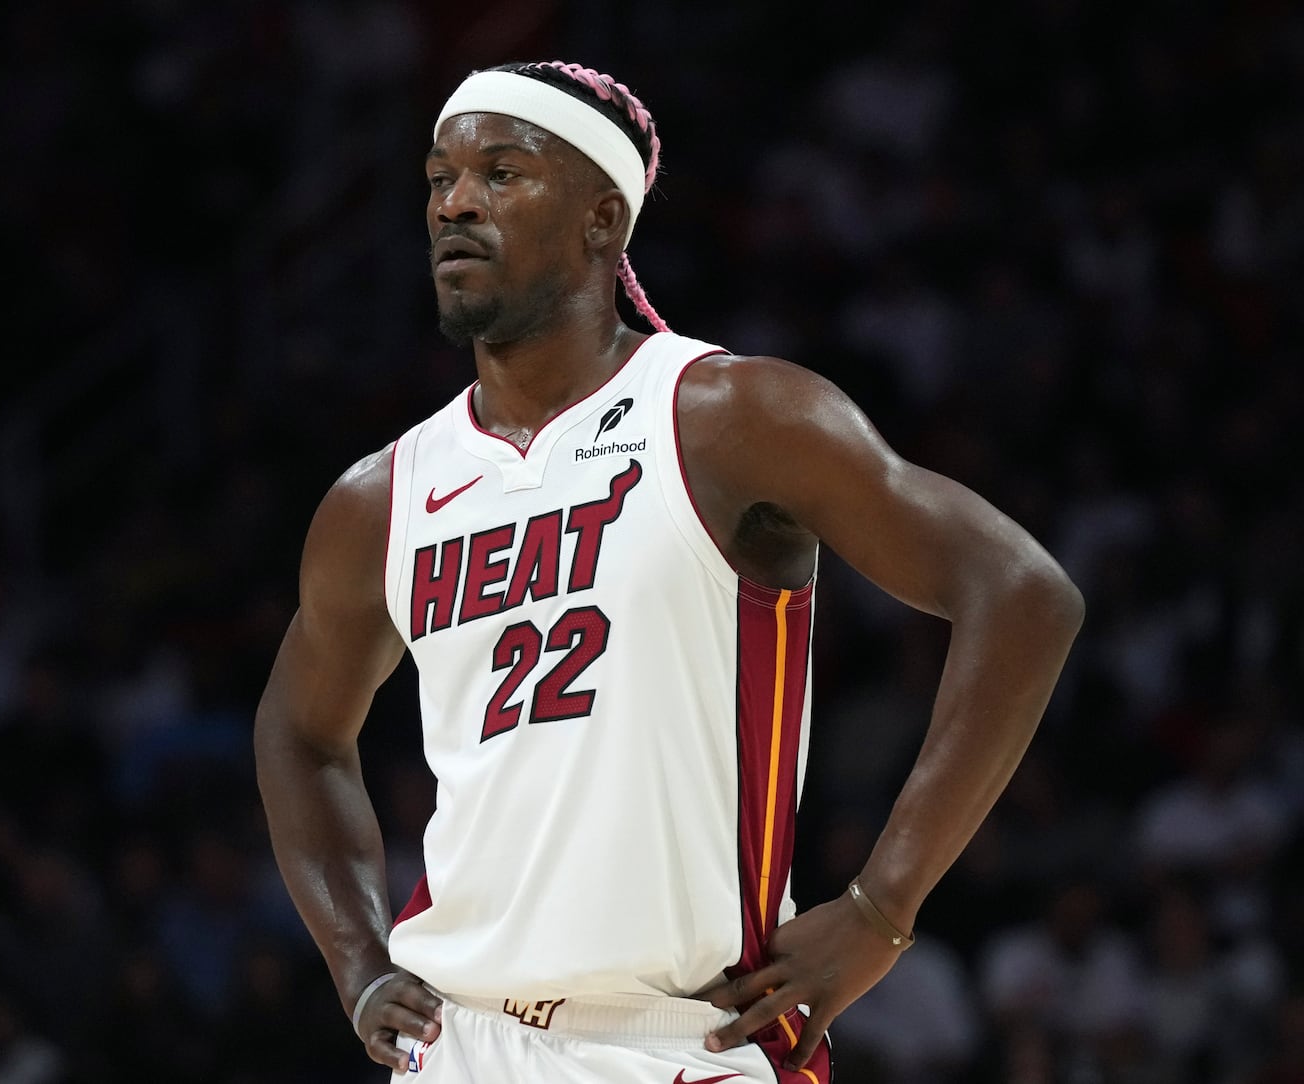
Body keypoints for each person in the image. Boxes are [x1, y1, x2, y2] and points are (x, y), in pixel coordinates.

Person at [255, 59, 1084, 1082]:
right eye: (438, 179)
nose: (456, 202)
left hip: (683, 1039)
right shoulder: (383, 496)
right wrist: (357, 962)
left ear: (603, 218)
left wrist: (881, 905)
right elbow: (299, 729)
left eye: (502, 173)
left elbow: (1022, 593)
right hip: (458, 1040)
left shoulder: (729, 416)